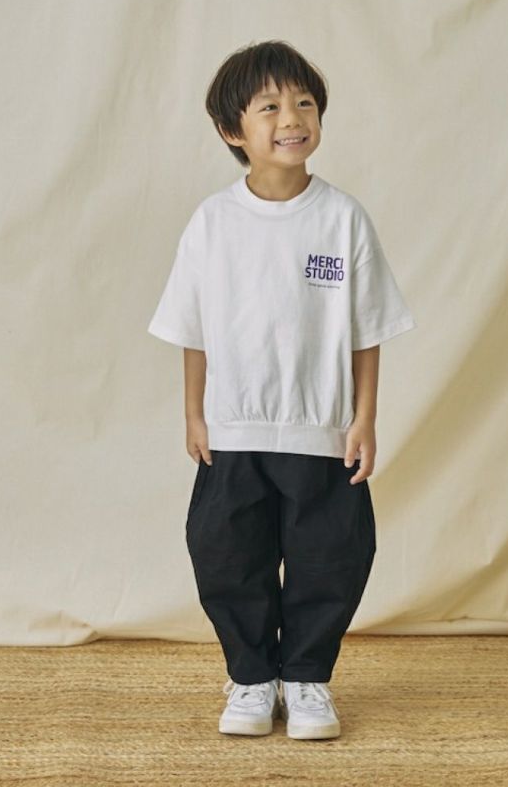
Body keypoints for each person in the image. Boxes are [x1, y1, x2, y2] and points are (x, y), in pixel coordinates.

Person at [147, 40, 416, 740]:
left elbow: (366, 331)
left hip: (321, 428)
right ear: (232, 129)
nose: (291, 118)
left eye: (303, 103)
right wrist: (194, 414)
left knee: (334, 554)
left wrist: (364, 418)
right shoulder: (213, 222)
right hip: (233, 427)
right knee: (226, 552)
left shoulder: (342, 219)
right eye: (269, 107)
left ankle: (305, 679)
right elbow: (193, 328)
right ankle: (250, 677)